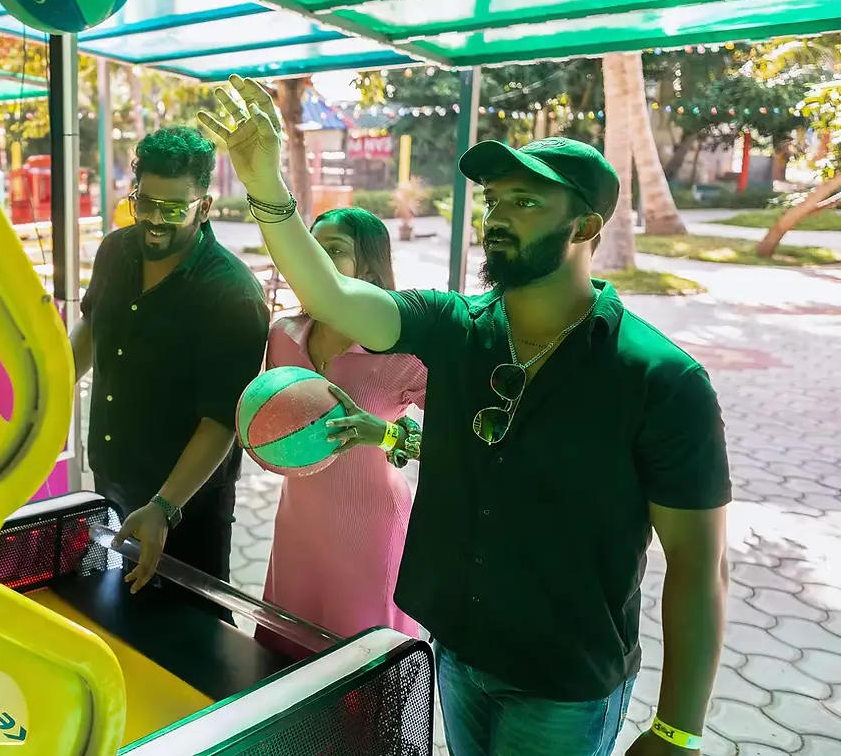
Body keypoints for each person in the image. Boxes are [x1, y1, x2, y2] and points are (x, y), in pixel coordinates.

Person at [199, 77, 729, 756]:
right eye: (495, 199)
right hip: (457, 653)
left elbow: (698, 562)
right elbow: (329, 293)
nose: (498, 215)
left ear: (586, 226)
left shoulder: (659, 378)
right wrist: (266, 183)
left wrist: (678, 728)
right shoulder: (454, 328)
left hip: (562, 680)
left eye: (527, 201)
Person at [76, 126, 269, 593]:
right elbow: (90, 330)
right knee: (114, 607)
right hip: (112, 472)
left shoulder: (233, 294)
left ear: (203, 207)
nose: (155, 219)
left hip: (185, 505)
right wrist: (41, 402)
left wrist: (163, 508)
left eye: (174, 208)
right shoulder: (115, 250)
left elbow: (221, 421)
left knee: (191, 632)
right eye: (146, 203)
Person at [250, 208, 427, 659]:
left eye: (335, 250)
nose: (318, 258)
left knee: (358, 672)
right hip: (297, 523)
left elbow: (461, 445)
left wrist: (386, 435)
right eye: (313, 246)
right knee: (284, 661)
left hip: (370, 530)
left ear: (367, 267)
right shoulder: (282, 336)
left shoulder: (402, 350)